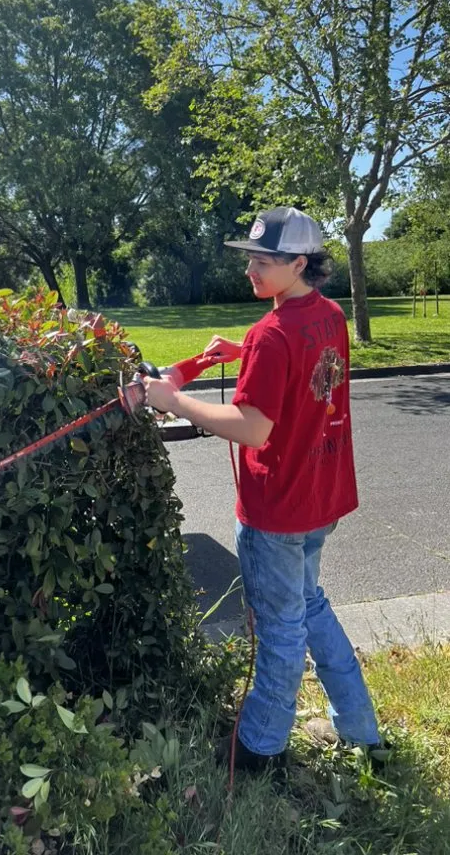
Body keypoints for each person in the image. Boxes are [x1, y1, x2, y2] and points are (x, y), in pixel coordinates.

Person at [143, 206, 383, 772]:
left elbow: (253, 428)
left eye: (263, 260)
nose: (250, 269)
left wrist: (173, 401)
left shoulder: (272, 334)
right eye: (248, 257)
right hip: (321, 498)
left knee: (279, 632)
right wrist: (243, 352)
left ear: (299, 263)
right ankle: (362, 731)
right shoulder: (327, 315)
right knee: (310, 607)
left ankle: (260, 750)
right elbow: (304, 367)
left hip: (276, 511)